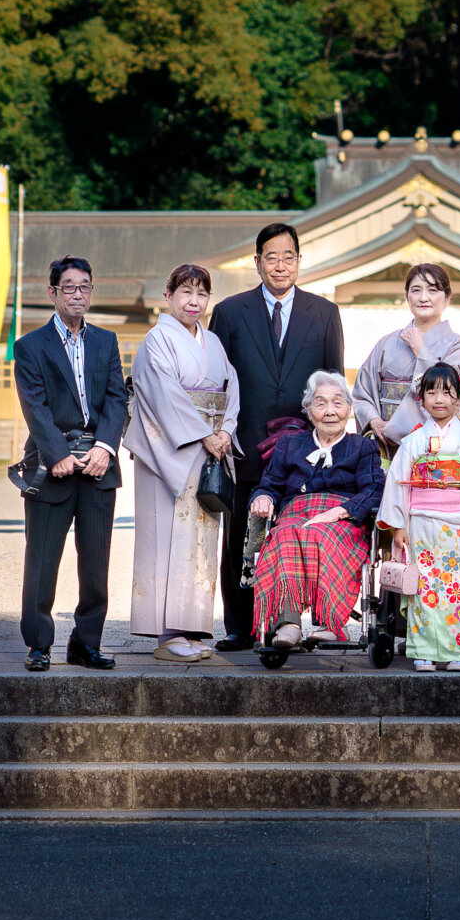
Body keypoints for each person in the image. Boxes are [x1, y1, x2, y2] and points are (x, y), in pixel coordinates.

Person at [209, 221, 345, 652]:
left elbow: (334, 384)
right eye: (272, 257)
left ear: (300, 262)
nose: (280, 265)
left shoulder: (324, 314)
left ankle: (290, 622)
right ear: (257, 262)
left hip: (303, 448)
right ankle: (240, 625)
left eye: (289, 257)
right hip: (243, 441)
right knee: (240, 537)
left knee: (297, 534)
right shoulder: (231, 312)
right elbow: (216, 383)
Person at [10, 255, 129, 671]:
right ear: (53, 292)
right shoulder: (29, 347)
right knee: (42, 560)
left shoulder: (106, 341)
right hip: (52, 465)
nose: (78, 294)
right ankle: (39, 645)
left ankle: (86, 643)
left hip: (99, 466)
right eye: (70, 286)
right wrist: (57, 455)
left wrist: (105, 448)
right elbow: (34, 405)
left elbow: (117, 398)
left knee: (95, 564)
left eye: (85, 287)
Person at [125, 262, 241, 662]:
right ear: (168, 296)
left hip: (207, 449)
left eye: (202, 293)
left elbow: (231, 388)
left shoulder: (212, 342)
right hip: (171, 453)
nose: (195, 301)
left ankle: (190, 628)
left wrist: (225, 429)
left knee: (200, 541)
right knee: (167, 538)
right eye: (186, 292)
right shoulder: (157, 340)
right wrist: (205, 433)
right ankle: (165, 633)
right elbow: (163, 395)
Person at [245, 370, 385, 647]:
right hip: (295, 514)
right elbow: (269, 485)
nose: (330, 411)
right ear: (308, 410)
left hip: (341, 519)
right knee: (283, 535)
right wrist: (263, 498)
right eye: (321, 403)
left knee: (325, 535)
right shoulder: (289, 444)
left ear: (348, 408)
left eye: (337, 402)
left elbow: (375, 490)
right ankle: (288, 624)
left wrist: (340, 511)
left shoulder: (362, 447)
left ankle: (331, 622)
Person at [376, 362, 460, 672]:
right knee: (425, 587)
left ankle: (459, 651)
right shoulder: (413, 441)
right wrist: (399, 525)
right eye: (432, 392)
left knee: (459, 587)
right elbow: (399, 483)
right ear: (422, 398)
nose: (439, 399)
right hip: (420, 523)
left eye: (447, 392)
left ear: (459, 398)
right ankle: (424, 650)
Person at [352, 262, 460, 447]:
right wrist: (374, 421)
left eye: (433, 290)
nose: (423, 298)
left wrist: (421, 351)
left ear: (447, 297)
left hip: (439, 444)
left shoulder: (459, 346)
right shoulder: (386, 343)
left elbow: (450, 392)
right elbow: (362, 393)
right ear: (407, 297)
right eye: (416, 290)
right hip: (387, 443)